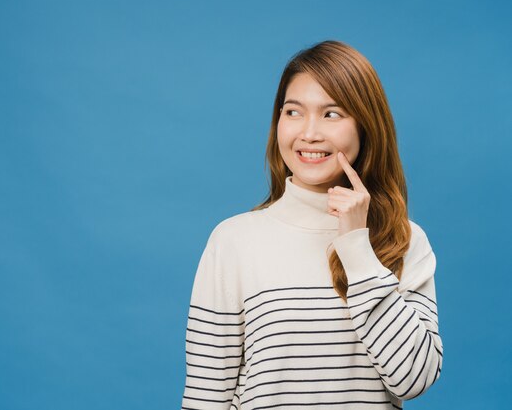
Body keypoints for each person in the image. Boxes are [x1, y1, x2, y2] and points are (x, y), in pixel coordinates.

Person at [180, 40, 443, 410]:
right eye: (293, 112)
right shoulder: (233, 241)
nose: (309, 133)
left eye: (332, 114)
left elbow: (414, 378)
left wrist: (356, 247)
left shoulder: (405, 239)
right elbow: (205, 397)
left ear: (366, 125)